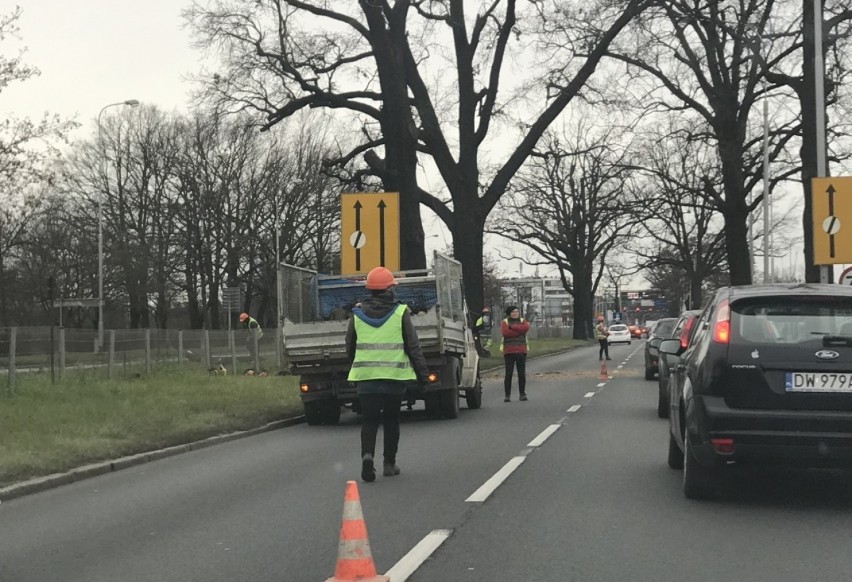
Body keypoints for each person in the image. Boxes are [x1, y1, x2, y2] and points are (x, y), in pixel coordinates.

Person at [346, 266, 429, 483]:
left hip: (366, 377)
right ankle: (389, 464)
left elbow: (350, 347)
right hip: (394, 377)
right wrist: (423, 376)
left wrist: (357, 366)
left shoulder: (356, 314)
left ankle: (367, 456)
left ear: (370, 290)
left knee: (369, 420)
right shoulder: (401, 312)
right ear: (390, 289)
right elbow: (413, 346)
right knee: (392, 420)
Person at [501, 305, 529, 402]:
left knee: (521, 374)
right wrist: (519, 331)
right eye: (513, 312)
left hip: (521, 350)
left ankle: (522, 393)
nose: (515, 313)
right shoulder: (505, 322)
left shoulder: (522, 321)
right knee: (508, 374)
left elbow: (525, 328)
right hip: (509, 351)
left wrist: (512, 327)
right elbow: (505, 333)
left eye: (516, 311)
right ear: (509, 313)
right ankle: (507, 395)